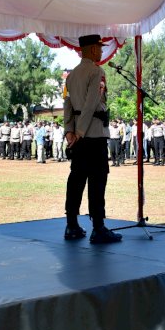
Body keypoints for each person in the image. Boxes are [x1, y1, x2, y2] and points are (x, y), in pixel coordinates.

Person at [63, 34, 121, 244]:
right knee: (97, 181)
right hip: (94, 135)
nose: (100, 50)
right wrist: (80, 131)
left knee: (76, 180)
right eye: (98, 47)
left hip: (79, 137)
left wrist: (69, 130)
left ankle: (72, 225)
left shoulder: (71, 75)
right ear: (91, 49)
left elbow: (68, 104)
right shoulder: (97, 71)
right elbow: (90, 104)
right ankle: (98, 227)